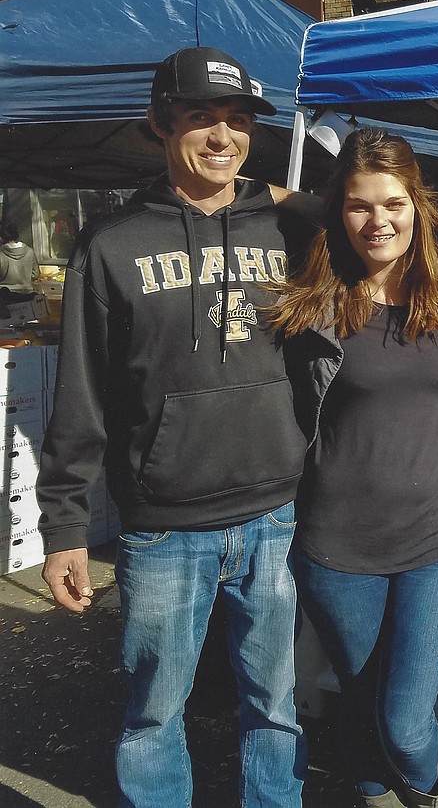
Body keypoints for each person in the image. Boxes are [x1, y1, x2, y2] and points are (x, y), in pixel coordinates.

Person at [36, 46, 311, 808]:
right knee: (155, 715)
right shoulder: (112, 245)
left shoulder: (290, 231)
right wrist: (62, 527)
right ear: (161, 123)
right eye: (200, 118)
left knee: (276, 710)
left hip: (275, 517)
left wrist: (283, 197)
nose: (222, 136)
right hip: (163, 529)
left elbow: (375, 210)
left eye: (236, 121)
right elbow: (81, 398)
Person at [268, 128, 438, 808]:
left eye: (394, 204)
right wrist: (308, 202)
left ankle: (431, 795)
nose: (378, 221)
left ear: (419, 207)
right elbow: (269, 199)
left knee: (406, 720)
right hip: (337, 547)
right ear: (337, 211)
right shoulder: (317, 299)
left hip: (432, 542)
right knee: (359, 702)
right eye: (358, 206)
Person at [0, 218, 38, 293]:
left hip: (5, 294)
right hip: (26, 292)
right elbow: (35, 274)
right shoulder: (30, 252)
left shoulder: (1, 253)